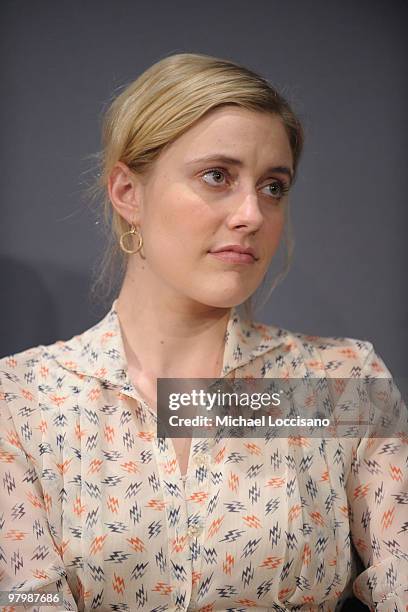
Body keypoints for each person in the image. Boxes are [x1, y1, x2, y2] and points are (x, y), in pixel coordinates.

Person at [0, 53, 406, 612]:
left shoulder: (338, 382)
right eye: (217, 176)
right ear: (127, 192)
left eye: (273, 187)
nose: (251, 214)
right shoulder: (23, 399)